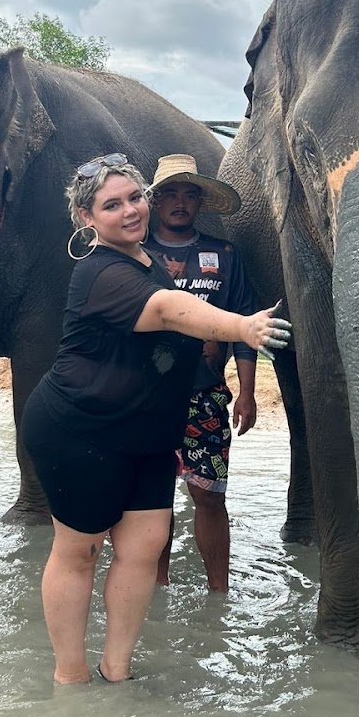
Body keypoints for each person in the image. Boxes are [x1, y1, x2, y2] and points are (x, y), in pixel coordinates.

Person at [21, 153, 291, 684]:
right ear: (86, 218)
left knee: (144, 548)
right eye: (111, 204)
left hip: (148, 432)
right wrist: (242, 327)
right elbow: (169, 310)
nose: (131, 211)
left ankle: (116, 671)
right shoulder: (100, 272)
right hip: (81, 430)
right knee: (81, 551)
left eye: (135, 197)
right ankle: (70, 678)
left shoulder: (153, 260)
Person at [143, 154, 256, 593]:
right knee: (152, 501)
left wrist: (246, 392)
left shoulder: (224, 256)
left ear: (201, 203)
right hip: (142, 398)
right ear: (154, 201)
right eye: (170, 193)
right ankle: (156, 592)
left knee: (209, 495)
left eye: (190, 194)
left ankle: (218, 595)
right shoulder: (134, 256)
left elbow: (245, 325)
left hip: (205, 396)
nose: (180, 202)